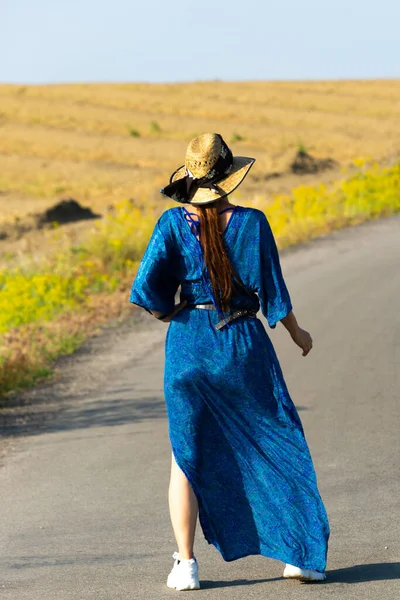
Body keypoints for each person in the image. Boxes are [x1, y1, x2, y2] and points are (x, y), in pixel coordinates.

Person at [129, 133, 330, 591]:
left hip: (186, 345)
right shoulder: (253, 223)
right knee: (277, 443)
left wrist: (171, 313)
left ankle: (186, 565)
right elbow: (274, 295)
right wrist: (298, 334)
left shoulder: (170, 224)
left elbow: (147, 291)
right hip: (240, 342)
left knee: (185, 456)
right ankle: (300, 554)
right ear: (228, 177)